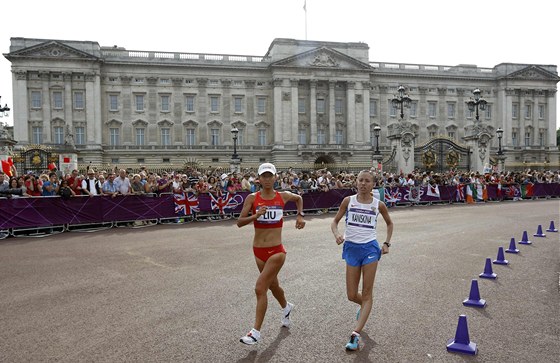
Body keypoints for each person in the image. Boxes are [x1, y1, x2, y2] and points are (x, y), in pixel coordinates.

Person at [237, 162, 306, 345]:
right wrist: (255, 216)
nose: (267, 179)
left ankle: (255, 333)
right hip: (258, 251)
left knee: (260, 288)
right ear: (258, 179)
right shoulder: (252, 198)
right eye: (264, 176)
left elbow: (298, 199)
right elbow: (240, 222)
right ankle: (286, 307)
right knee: (273, 286)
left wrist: (300, 215)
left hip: (277, 251)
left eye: (270, 176)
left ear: (276, 177)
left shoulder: (282, 196)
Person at [330, 169, 394, 351]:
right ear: (356, 182)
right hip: (351, 248)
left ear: (373, 184)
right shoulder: (347, 201)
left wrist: (387, 243)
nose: (364, 183)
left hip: (370, 249)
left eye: (367, 181)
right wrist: (337, 235)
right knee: (351, 295)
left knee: (367, 292)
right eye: (361, 180)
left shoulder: (378, 204)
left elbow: (390, 223)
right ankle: (365, 307)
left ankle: (355, 334)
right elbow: (334, 222)